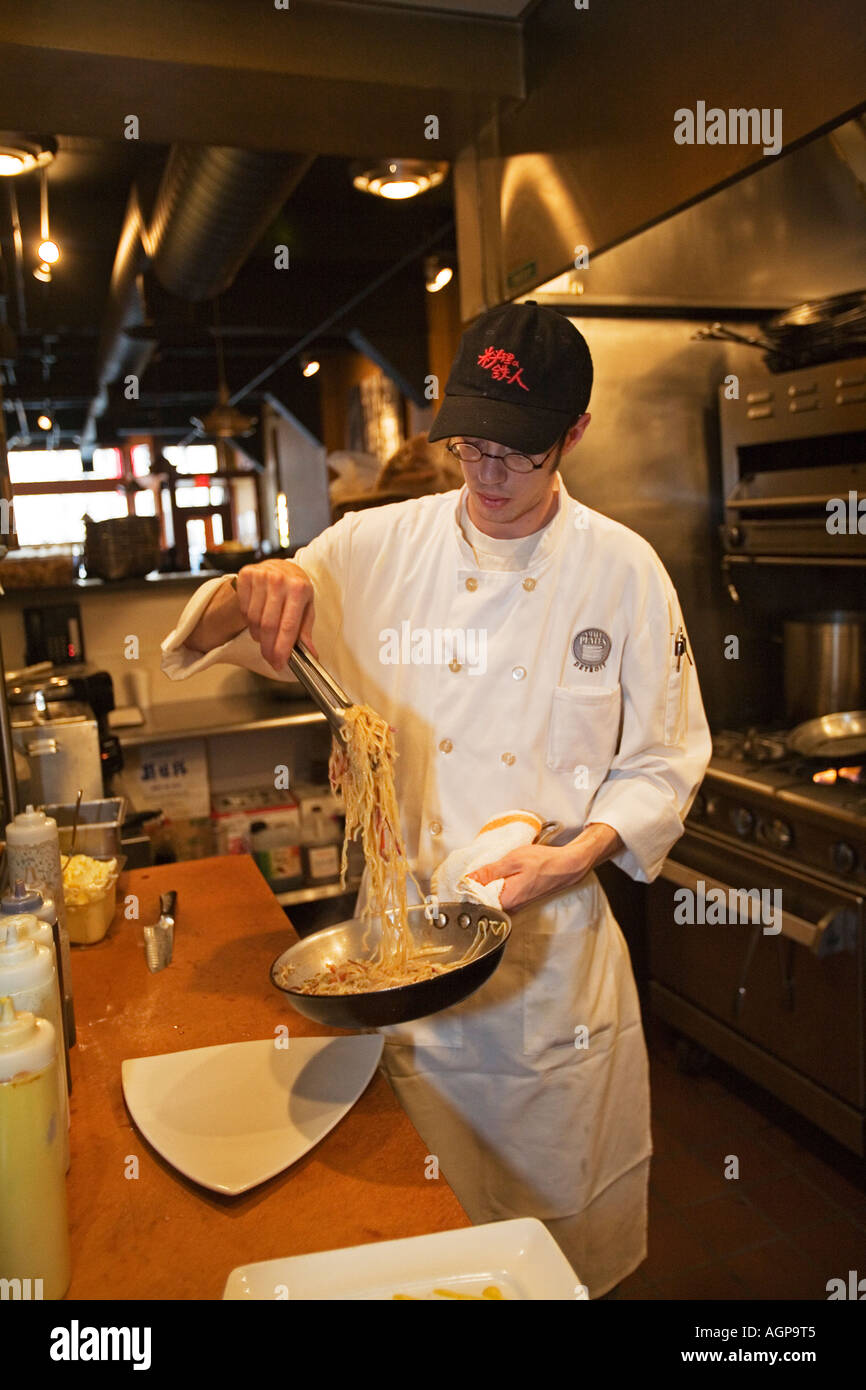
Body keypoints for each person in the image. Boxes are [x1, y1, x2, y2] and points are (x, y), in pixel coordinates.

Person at [161, 301, 712, 1297]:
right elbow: (217, 635)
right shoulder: (377, 545)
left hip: (551, 981)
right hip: (407, 957)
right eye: (468, 447)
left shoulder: (623, 571)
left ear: (572, 436)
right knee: (415, 1247)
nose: (486, 476)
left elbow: (664, 760)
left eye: (515, 454)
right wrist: (248, 585)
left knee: (553, 1259)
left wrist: (575, 853)